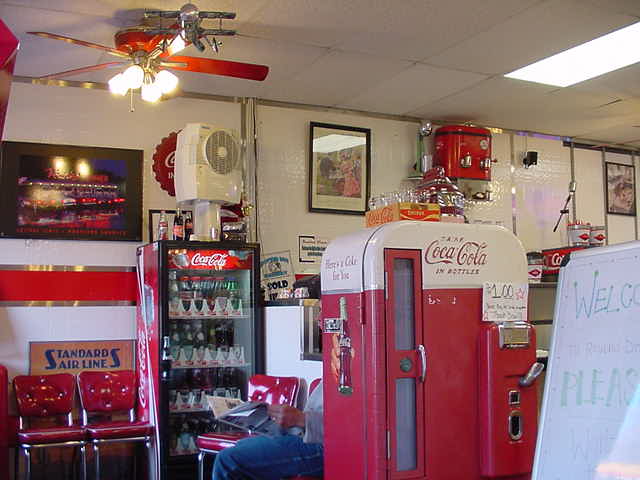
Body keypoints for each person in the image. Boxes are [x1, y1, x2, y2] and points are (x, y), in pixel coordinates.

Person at [212, 381, 323, 479]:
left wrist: (301, 419)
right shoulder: (329, 371)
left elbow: (333, 429)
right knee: (241, 445)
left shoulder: (333, 371)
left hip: (323, 446)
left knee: (228, 459)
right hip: (307, 434)